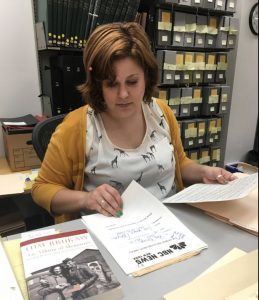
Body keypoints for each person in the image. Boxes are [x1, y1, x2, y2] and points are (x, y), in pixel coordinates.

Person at [32, 22, 237, 224]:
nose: (123, 94)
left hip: (170, 225)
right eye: (112, 84)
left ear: (146, 78)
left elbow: (179, 163)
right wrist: (87, 199)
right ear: (97, 84)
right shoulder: (77, 127)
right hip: (115, 234)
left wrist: (204, 172)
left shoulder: (161, 113)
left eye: (132, 82)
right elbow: (42, 188)